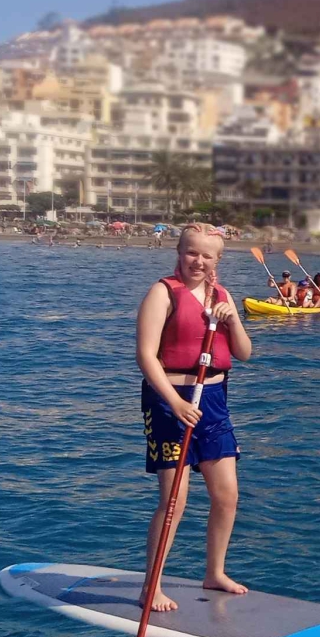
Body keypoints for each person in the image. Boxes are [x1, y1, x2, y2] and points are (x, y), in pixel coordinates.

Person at [135, 222, 254, 611]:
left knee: (227, 496)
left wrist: (232, 318)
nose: (197, 261)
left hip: (214, 398)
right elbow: (146, 356)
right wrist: (174, 401)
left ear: (217, 259)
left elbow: (244, 353)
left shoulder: (222, 296)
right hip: (170, 400)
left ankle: (214, 573)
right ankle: (150, 586)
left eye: (206, 255)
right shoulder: (162, 293)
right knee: (175, 499)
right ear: (179, 252)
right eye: (191, 252)